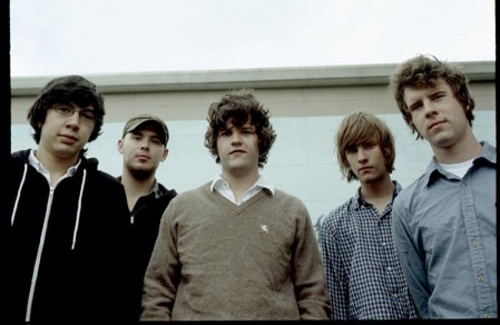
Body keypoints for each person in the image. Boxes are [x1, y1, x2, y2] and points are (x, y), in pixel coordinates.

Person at [140, 89, 331, 320]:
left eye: (246, 131)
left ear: (261, 140)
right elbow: (157, 292)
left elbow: (313, 295)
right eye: (226, 133)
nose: (236, 140)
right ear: (216, 143)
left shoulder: (293, 211)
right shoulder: (181, 208)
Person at [5, 75, 132, 323]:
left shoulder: (109, 193)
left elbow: (118, 283)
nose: (74, 123)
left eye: (86, 116)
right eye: (64, 109)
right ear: (41, 117)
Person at [389, 54, 497, 319]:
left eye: (437, 96)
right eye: (417, 106)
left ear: (464, 100)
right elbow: (421, 296)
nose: (428, 110)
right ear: (412, 122)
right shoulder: (406, 206)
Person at [320, 111, 419, 320]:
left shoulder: (418, 208)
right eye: (352, 150)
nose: (362, 157)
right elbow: (337, 302)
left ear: (386, 149)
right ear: (345, 158)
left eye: (369, 146)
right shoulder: (335, 225)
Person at [117, 113, 177, 321]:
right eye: (137, 137)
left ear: (164, 154)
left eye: (155, 141)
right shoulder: (95, 198)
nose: (145, 146)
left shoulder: (175, 208)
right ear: (120, 145)